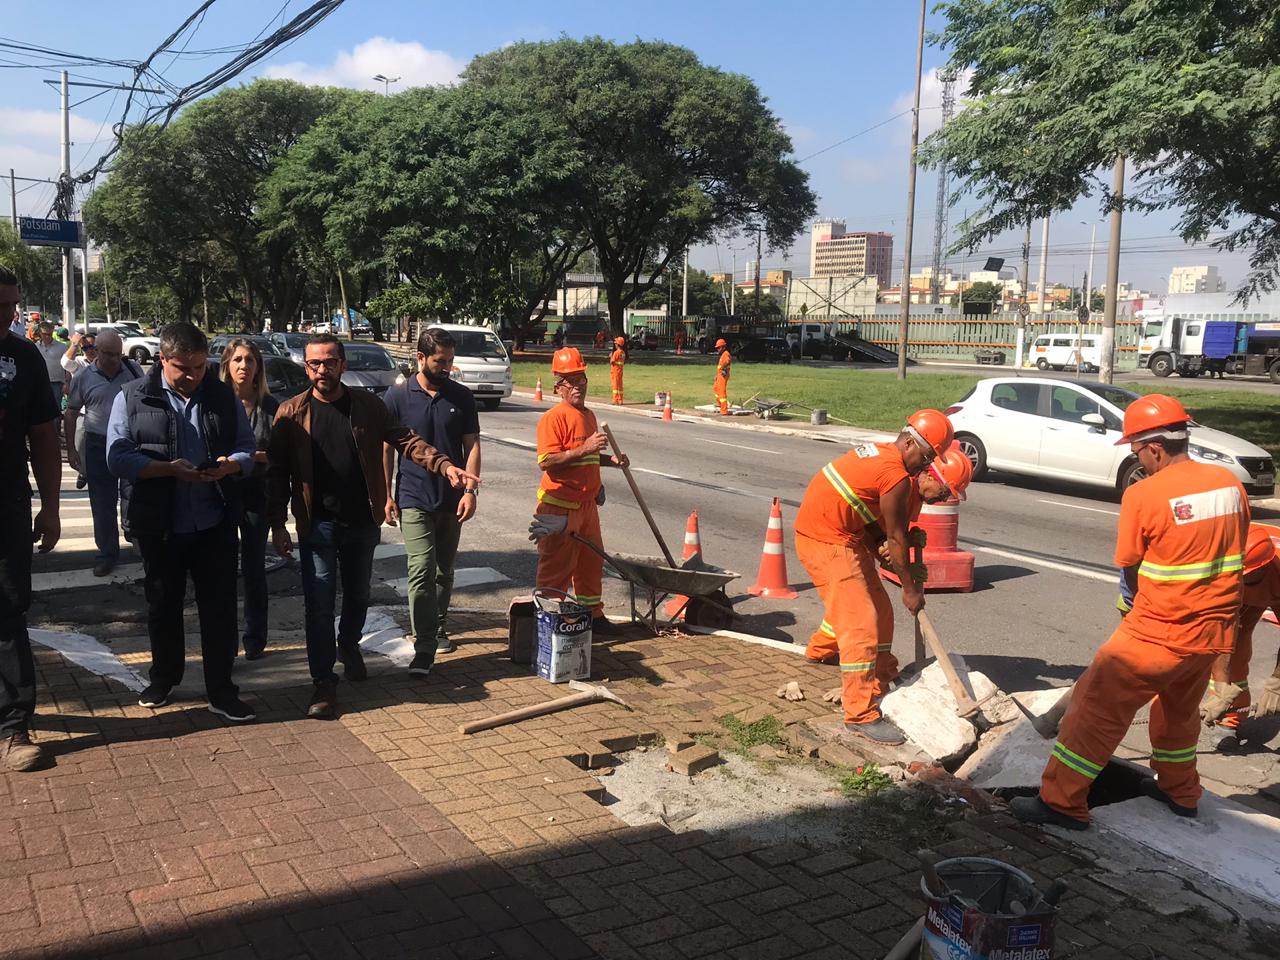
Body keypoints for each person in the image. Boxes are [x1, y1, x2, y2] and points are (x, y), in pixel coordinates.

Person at [1012, 395, 1249, 830]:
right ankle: (1179, 790)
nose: (1137, 459)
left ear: (1154, 448)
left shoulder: (1144, 493)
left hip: (1157, 632)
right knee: (1178, 713)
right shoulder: (1228, 484)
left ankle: (1061, 803)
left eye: (1136, 451)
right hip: (1210, 635)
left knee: (1093, 712)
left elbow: (1130, 562)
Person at [268, 334, 479, 719]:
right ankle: (323, 682)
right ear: (306, 367)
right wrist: (277, 524)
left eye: (330, 363)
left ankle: (348, 643)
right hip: (318, 525)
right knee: (318, 603)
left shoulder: (366, 406)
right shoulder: (290, 413)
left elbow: (406, 440)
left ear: (342, 365)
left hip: (362, 521)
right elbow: (278, 473)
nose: (322, 371)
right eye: (314, 364)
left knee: (358, 595)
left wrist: (444, 465)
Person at [106, 321, 258, 722]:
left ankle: (221, 690)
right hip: (160, 524)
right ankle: (164, 677)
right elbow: (117, 456)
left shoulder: (221, 396)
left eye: (199, 367)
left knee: (220, 610)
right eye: (182, 368)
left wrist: (231, 466)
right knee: (163, 606)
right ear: (162, 360)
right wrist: (166, 469)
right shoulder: (132, 396)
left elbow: (246, 446)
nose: (192, 376)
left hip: (214, 520)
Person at [793, 410, 955, 745]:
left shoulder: (886, 458)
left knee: (880, 611)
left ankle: (835, 656)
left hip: (845, 534)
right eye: (925, 457)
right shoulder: (894, 475)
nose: (924, 466)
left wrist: (881, 544)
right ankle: (860, 713)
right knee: (861, 623)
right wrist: (909, 587)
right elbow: (894, 538)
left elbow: (867, 516)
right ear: (909, 442)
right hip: (824, 539)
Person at [383, 327, 482, 676]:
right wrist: (386, 495)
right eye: (440, 361)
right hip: (413, 495)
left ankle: (437, 625)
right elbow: (387, 447)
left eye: (451, 361)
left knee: (443, 571)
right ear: (420, 358)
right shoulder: (397, 397)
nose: (447, 367)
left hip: (452, 497)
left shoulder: (461, 397)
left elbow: (472, 446)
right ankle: (423, 641)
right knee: (421, 568)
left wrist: (470, 492)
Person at [0, 266, 61, 772]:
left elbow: (44, 435)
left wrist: (52, 505)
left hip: (7, 507)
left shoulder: (23, 358)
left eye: (12, 306)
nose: (9, 315)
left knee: (7, 609)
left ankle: (14, 726)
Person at [528, 347, 629, 633]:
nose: (578, 386)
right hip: (559, 507)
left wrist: (611, 461)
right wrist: (585, 447)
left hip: (586, 507)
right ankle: (546, 625)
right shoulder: (553, 418)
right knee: (556, 568)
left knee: (590, 565)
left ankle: (592, 617)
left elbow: (588, 458)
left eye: (581, 378)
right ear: (559, 387)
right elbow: (548, 462)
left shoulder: (589, 416)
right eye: (571, 381)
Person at [219, 338, 279, 660]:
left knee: (254, 568)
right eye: (238, 360)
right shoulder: (216, 403)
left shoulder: (271, 406)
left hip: (259, 494)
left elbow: (279, 456)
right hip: (224, 493)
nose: (244, 366)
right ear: (228, 365)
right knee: (224, 569)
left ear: (259, 367)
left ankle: (255, 639)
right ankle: (225, 642)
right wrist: (246, 457)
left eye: (250, 360)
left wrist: (248, 457)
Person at [65, 330, 143, 577]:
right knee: (102, 503)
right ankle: (107, 553)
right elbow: (71, 412)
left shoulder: (133, 372)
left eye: (118, 354)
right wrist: (71, 449)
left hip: (130, 443)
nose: (114, 359)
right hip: (98, 444)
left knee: (134, 496)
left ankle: (137, 538)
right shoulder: (84, 377)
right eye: (109, 354)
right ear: (96, 351)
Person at [1202, 524, 1280, 732]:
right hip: (1241, 597)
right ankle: (1229, 718)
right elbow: (1221, 629)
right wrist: (1221, 686)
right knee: (1227, 649)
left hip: (1273, 589)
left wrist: (1277, 684)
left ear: (1262, 568)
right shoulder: (1225, 561)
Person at [62, 333, 97, 490]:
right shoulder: (79, 363)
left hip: (101, 411)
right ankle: (83, 472)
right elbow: (65, 362)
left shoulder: (103, 363)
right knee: (80, 443)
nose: (90, 350)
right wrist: (75, 344)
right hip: (83, 410)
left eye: (93, 346)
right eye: (86, 347)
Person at [33, 322, 67, 420]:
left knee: (55, 410)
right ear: (40, 333)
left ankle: (55, 434)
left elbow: (67, 366)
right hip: (40, 384)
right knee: (40, 410)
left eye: (49, 334)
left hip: (56, 383)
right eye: (45, 334)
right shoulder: (35, 347)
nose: (47, 336)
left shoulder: (62, 347)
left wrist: (67, 382)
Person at [713, 338, 731, 415]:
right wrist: (717, 375)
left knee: (722, 392)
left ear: (723, 347)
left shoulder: (726, 354)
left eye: (719, 348)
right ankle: (719, 403)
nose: (718, 349)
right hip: (720, 375)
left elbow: (727, 361)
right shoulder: (723, 354)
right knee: (715, 388)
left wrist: (724, 369)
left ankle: (724, 410)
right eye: (717, 348)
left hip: (723, 376)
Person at [609, 336, 626, 405]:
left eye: (616, 343)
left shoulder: (616, 353)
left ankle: (615, 400)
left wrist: (610, 357)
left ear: (617, 344)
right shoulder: (623, 353)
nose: (615, 344)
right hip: (620, 371)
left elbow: (612, 362)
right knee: (620, 386)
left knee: (615, 386)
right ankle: (620, 400)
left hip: (615, 371)